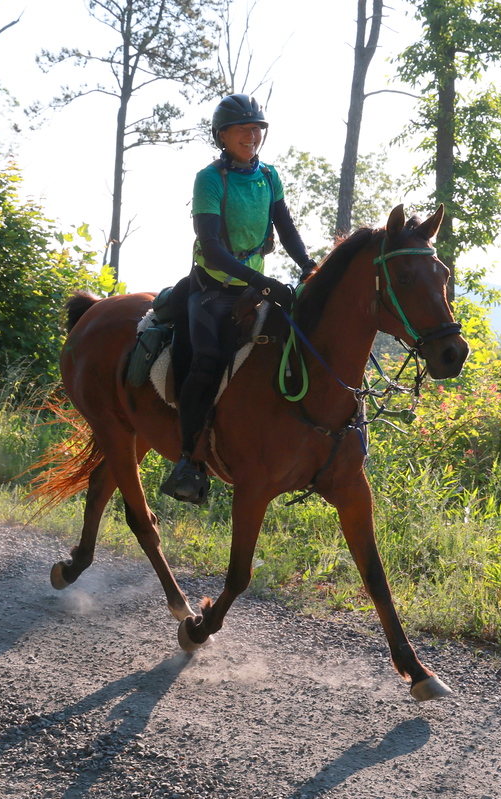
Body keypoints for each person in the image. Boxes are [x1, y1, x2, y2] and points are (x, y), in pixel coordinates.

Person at [160, 93, 318, 505]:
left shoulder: (269, 176)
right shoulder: (209, 179)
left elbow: (286, 229)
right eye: (244, 129)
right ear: (222, 136)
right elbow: (211, 249)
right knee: (207, 359)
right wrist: (264, 285)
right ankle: (187, 462)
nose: (253, 135)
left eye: (258, 128)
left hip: (252, 288)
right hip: (211, 288)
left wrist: (308, 265)